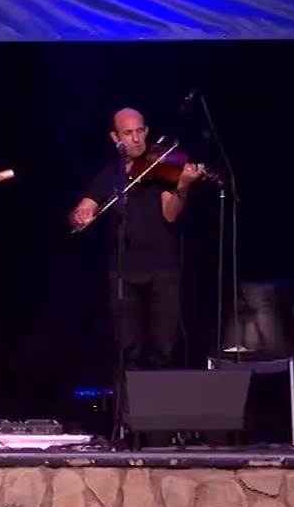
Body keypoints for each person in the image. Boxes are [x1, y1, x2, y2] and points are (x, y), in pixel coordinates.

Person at [70, 108, 205, 375]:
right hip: (123, 273)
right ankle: (127, 416)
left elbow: (171, 215)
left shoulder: (163, 167)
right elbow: (79, 214)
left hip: (163, 270)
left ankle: (161, 414)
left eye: (140, 131)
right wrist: (81, 216)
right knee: (126, 351)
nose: (136, 139)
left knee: (163, 350)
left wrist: (183, 187)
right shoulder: (110, 175)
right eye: (128, 133)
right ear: (115, 137)